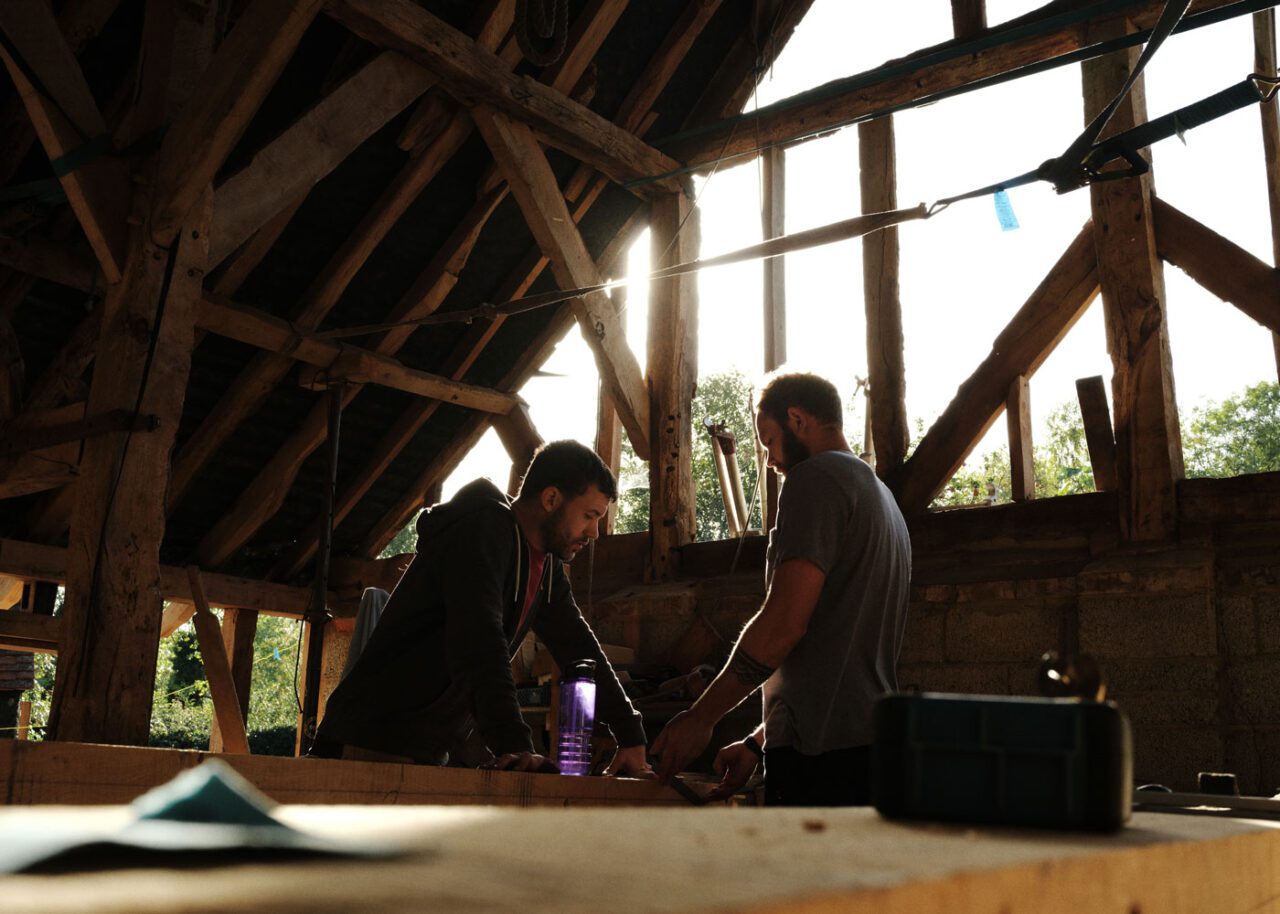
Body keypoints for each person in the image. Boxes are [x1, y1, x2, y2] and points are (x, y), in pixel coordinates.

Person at [314, 440, 652, 777]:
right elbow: (478, 640)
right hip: (369, 743)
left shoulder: (544, 566)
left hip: (422, 750)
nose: (594, 532)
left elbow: (578, 644)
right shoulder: (483, 529)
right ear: (551, 499)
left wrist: (630, 734)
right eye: (589, 516)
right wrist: (514, 744)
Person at [651, 372, 911, 805]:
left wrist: (701, 718)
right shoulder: (881, 500)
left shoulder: (816, 479)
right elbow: (831, 656)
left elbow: (784, 626)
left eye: (769, 441)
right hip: (864, 746)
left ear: (797, 419)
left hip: (823, 762)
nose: (771, 460)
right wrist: (759, 742)